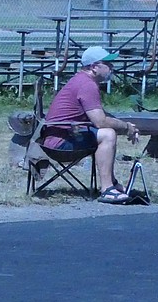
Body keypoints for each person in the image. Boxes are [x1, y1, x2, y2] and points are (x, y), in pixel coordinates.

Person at [41, 46, 140, 204]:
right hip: (59, 144)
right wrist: (126, 127)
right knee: (107, 134)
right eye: (108, 64)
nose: (112, 68)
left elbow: (101, 115)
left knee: (106, 132)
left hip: (61, 136)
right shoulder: (87, 85)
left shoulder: (82, 81)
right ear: (94, 67)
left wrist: (125, 126)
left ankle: (111, 183)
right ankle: (107, 189)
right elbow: (100, 121)